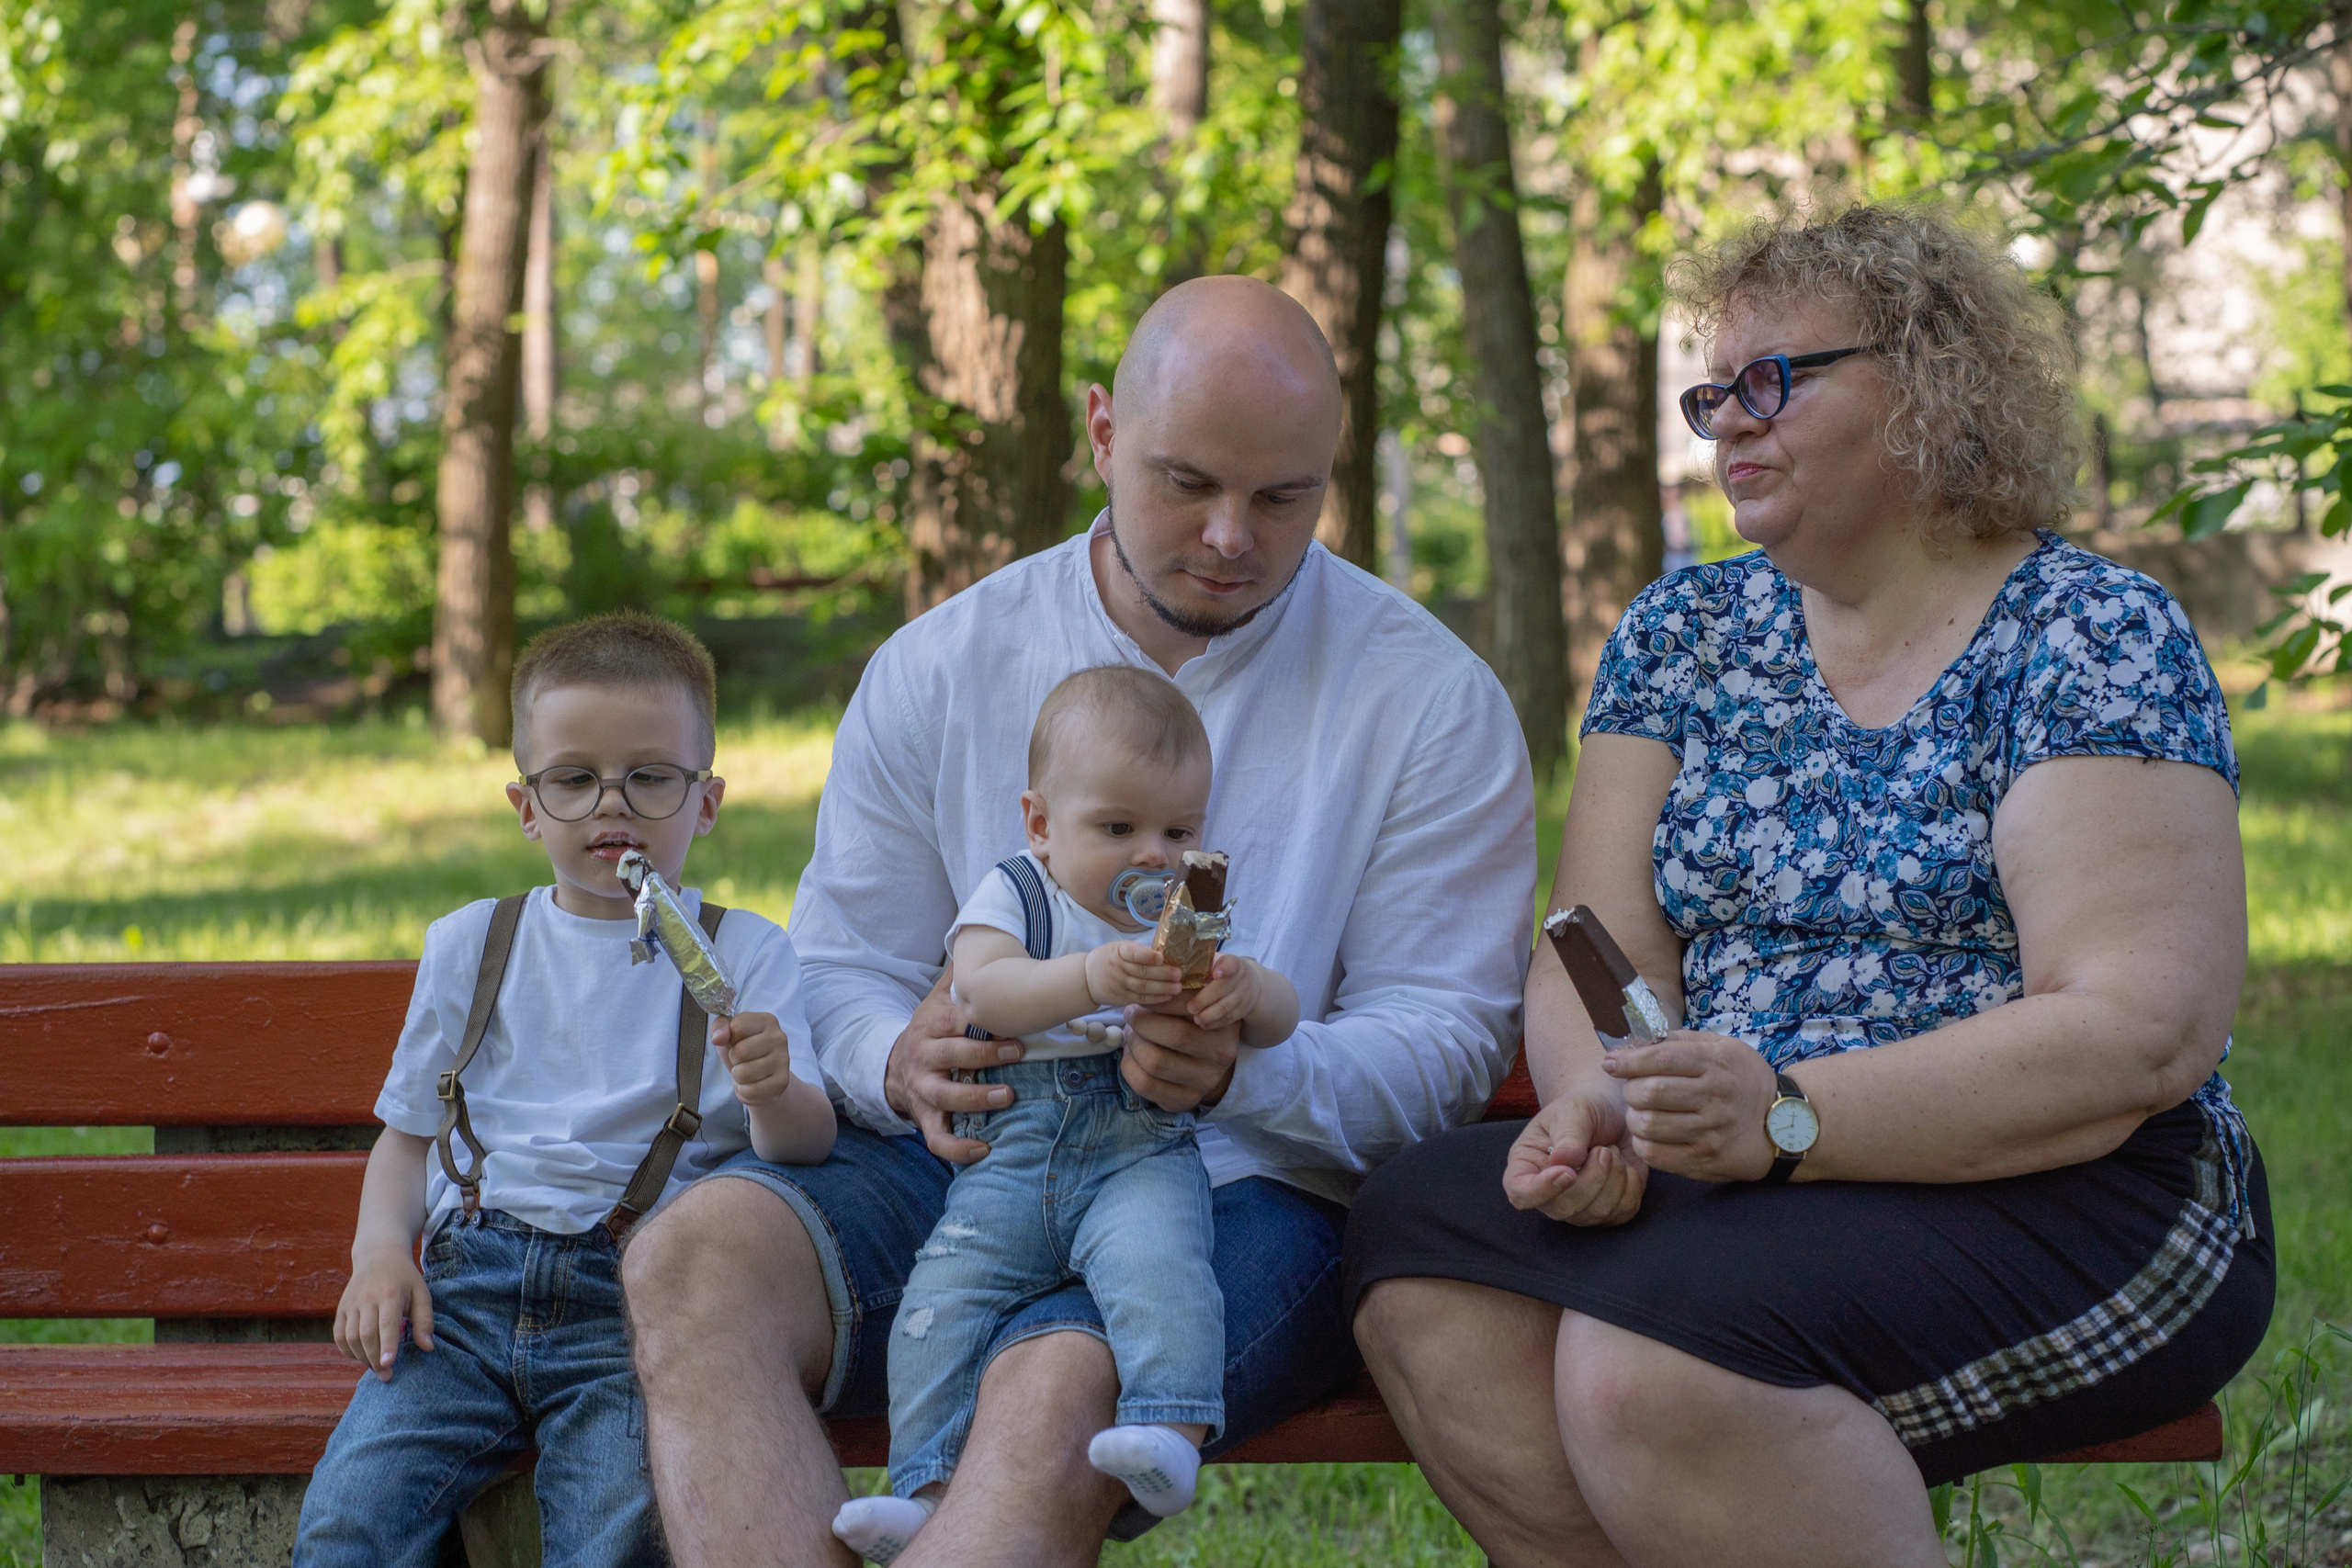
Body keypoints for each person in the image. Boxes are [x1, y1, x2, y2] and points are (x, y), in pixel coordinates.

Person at [1344, 204, 2276, 1568]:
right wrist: (1601, 1104)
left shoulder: (2087, 633)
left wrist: (1787, 1113)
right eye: (1714, 392)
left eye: (1773, 380)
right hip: (1732, 1167)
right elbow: (1587, 947)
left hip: (2070, 1177)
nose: (1729, 422)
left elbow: (2140, 1030)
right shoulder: (1683, 633)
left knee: (1655, 1359)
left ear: (1926, 381)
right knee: (1420, 1241)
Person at [622, 274, 1536, 1568]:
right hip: (961, 1160)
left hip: (1249, 1191)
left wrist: (1250, 1065)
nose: (1231, 536)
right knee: (694, 1261)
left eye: (1283, 496)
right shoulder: (945, 663)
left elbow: (1443, 1040)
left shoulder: (1429, 699)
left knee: (1050, 1386)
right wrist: (893, 1054)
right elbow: (840, 959)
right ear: (1103, 434)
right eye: (1186, 482)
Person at [293, 613, 837, 1568]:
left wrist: (774, 1086)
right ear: (527, 805)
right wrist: (381, 1253)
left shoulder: (749, 952)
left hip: (631, 1310)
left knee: (614, 1536)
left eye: (650, 776)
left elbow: (802, 1149)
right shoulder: (474, 943)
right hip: (459, 1305)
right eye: (575, 779)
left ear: (705, 803)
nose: (610, 806)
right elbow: (409, 1137)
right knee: (350, 1523)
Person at [832, 664, 1300, 1563]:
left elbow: (1276, 1020)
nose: (1153, 855)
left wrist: (1248, 990)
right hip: (1015, 1150)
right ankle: (924, 1488)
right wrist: (1090, 977)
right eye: (1118, 828)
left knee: (1162, 1269)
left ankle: (1169, 1434)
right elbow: (988, 990)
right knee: (940, 1305)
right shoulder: (1016, 891)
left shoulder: (1187, 905)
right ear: (1042, 824)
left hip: (1141, 1149)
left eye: (1178, 829)